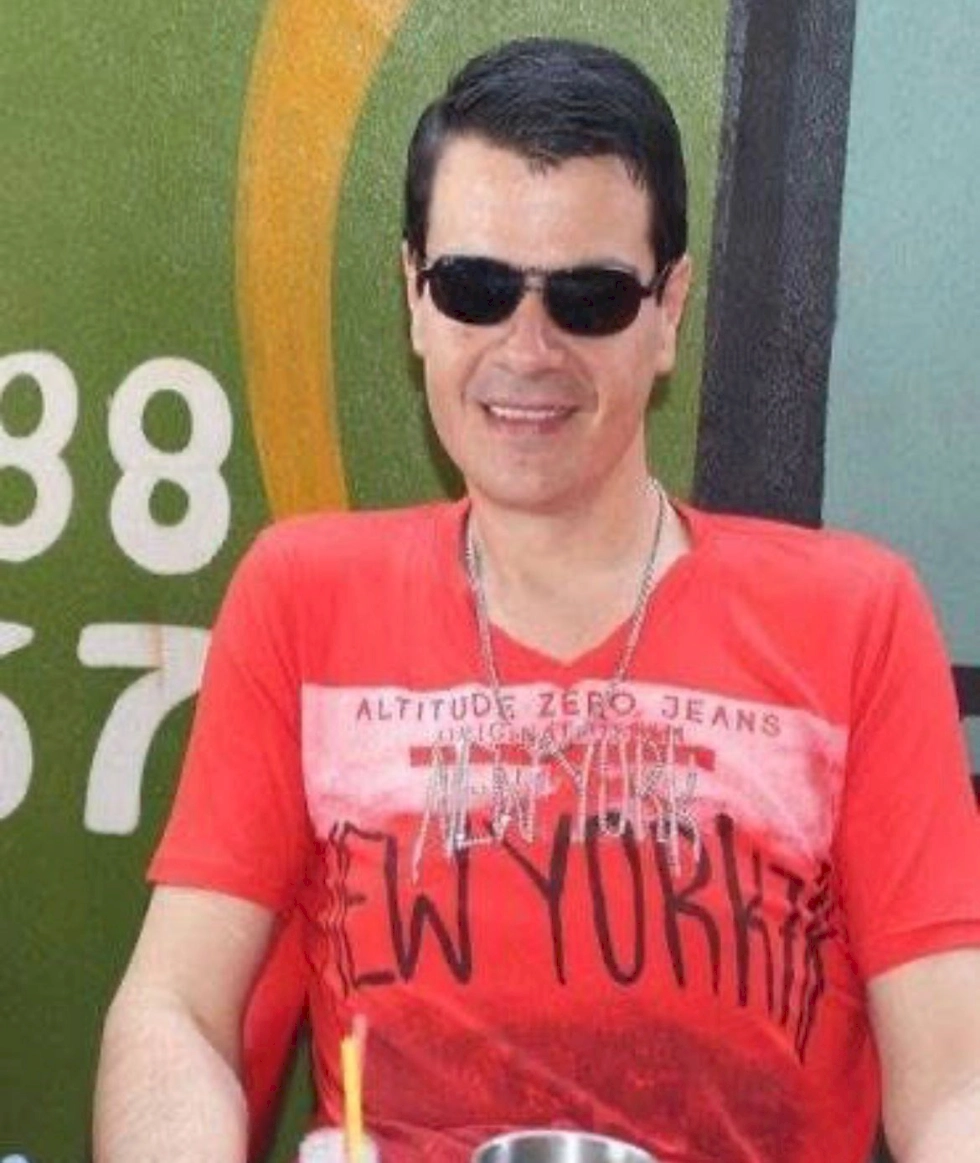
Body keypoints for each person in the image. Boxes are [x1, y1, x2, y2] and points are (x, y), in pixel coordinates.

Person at [93, 37, 980, 1163]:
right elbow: (176, 1008)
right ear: (414, 297)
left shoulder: (854, 618)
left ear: (668, 310)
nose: (526, 347)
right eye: (473, 288)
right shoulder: (303, 596)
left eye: (588, 298)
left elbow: (956, 1078)